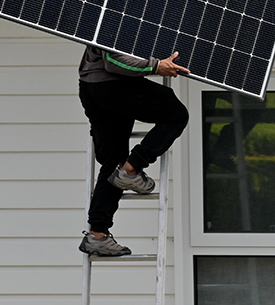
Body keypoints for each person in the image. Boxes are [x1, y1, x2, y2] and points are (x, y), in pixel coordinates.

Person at [77, 46, 190, 257]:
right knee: (176, 115)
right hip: (113, 84)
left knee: (113, 162)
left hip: (94, 86)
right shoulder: (115, 23)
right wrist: (155, 66)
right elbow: (114, 61)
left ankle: (98, 234)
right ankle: (131, 170)